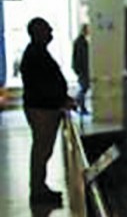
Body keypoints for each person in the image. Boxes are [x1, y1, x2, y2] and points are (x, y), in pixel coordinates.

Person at [19, 17, 75, 205]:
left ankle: (39, 187)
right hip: (42, 110)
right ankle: (38, 190)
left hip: (43, 107)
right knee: (41, 150)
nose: (51, 33)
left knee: (43, 150)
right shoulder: (36, 55)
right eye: (47, 30)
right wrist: (61, 99)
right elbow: (43, 86)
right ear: (38, 33)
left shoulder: (36, 52)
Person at [72, 23, 90, 114]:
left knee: (84, 87)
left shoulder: (80, 41)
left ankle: (78, 104)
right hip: (82, 69)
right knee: (84, 87)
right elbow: (81, 57)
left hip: (81, 68)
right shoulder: (81, 42)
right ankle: (76, 103)